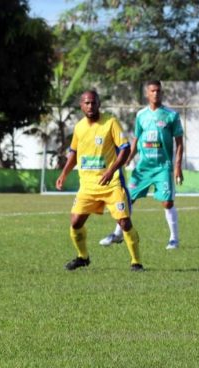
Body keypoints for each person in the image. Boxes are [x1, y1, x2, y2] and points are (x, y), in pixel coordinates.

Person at [56, 89, 143, 271]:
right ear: (81, 105)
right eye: (86, 103)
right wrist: (64, 173)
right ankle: (83, 257)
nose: (90, 106)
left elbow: (125, 149)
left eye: (93, 102)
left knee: (124, 222)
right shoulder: (79, 127)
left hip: (112, 184)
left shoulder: (110, 122)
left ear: (99, 104)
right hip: (88, 186)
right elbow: (74, 153)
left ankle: (136, 262)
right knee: (75, 222)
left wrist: (111, 171)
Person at [100, 80, 184, 249]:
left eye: (158, 91)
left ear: (162, 93)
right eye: (152, 91)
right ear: (147, 93)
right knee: (128, 198)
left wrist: (177, 166)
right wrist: (128, 158)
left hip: (163, 167)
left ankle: (174, 238)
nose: (156, 94)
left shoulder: (171, 115)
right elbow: (136, 140)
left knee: (167, 202)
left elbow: (179, 143)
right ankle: (117, 234)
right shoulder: (141, 115)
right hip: (143, 167)